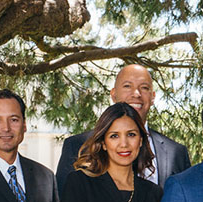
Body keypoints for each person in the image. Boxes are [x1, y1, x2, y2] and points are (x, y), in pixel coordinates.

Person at [56, 64, 191, 190]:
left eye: (144, 88)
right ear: (113, 94)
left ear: (152, 97)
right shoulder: (77, 146)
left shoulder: (177, 153)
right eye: (127, 86)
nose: (136, 94)